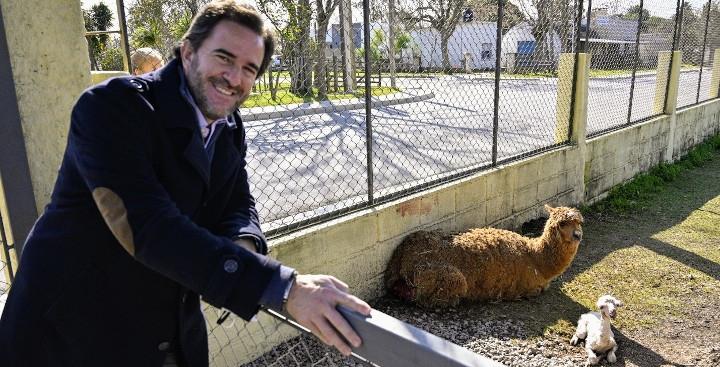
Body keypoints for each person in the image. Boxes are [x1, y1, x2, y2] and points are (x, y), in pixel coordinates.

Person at [0, 1, 371, 366]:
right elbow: (147, 226)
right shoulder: (112, 108)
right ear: (188, 52)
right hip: (71, 336)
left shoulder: (227, 128)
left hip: (166, 326)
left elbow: (238, 205)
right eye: (224, 58)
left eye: (249, 68)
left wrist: (242, 248)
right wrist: (282, 287)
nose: (234, 78)